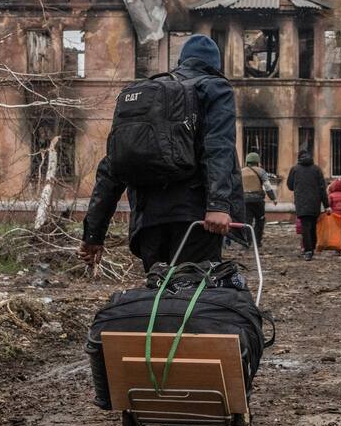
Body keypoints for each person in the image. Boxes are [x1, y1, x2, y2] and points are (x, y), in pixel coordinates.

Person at [78, 35, 245, 272]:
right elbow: (219, 146)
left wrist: (94, 233)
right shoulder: (214, 87)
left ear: (181, 61)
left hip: (148, 223)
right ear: (216, 67)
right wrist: (218, 204)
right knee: (191, 299)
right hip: (195, 220)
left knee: (159, 298)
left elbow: (111, 167)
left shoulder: (149, 97)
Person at [286, 148, 328, 260]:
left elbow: (290, 186)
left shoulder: (294, 169)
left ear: (299, 158)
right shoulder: (317, 169)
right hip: (315, 202)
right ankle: (312, 247)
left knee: (305, 226)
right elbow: (322, 188)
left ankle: (308, 250)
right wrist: (327, 205)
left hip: (301, 202)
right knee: (313, 225)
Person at [242, 151, 277, 247]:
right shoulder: (261, 171)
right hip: (258, 200)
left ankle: (247, 241)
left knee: (247, 221)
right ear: (257, 161)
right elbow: (267, 186)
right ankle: (257, 241)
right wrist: (273, 198)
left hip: (245, 200)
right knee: (260, 220)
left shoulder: (241, 171)